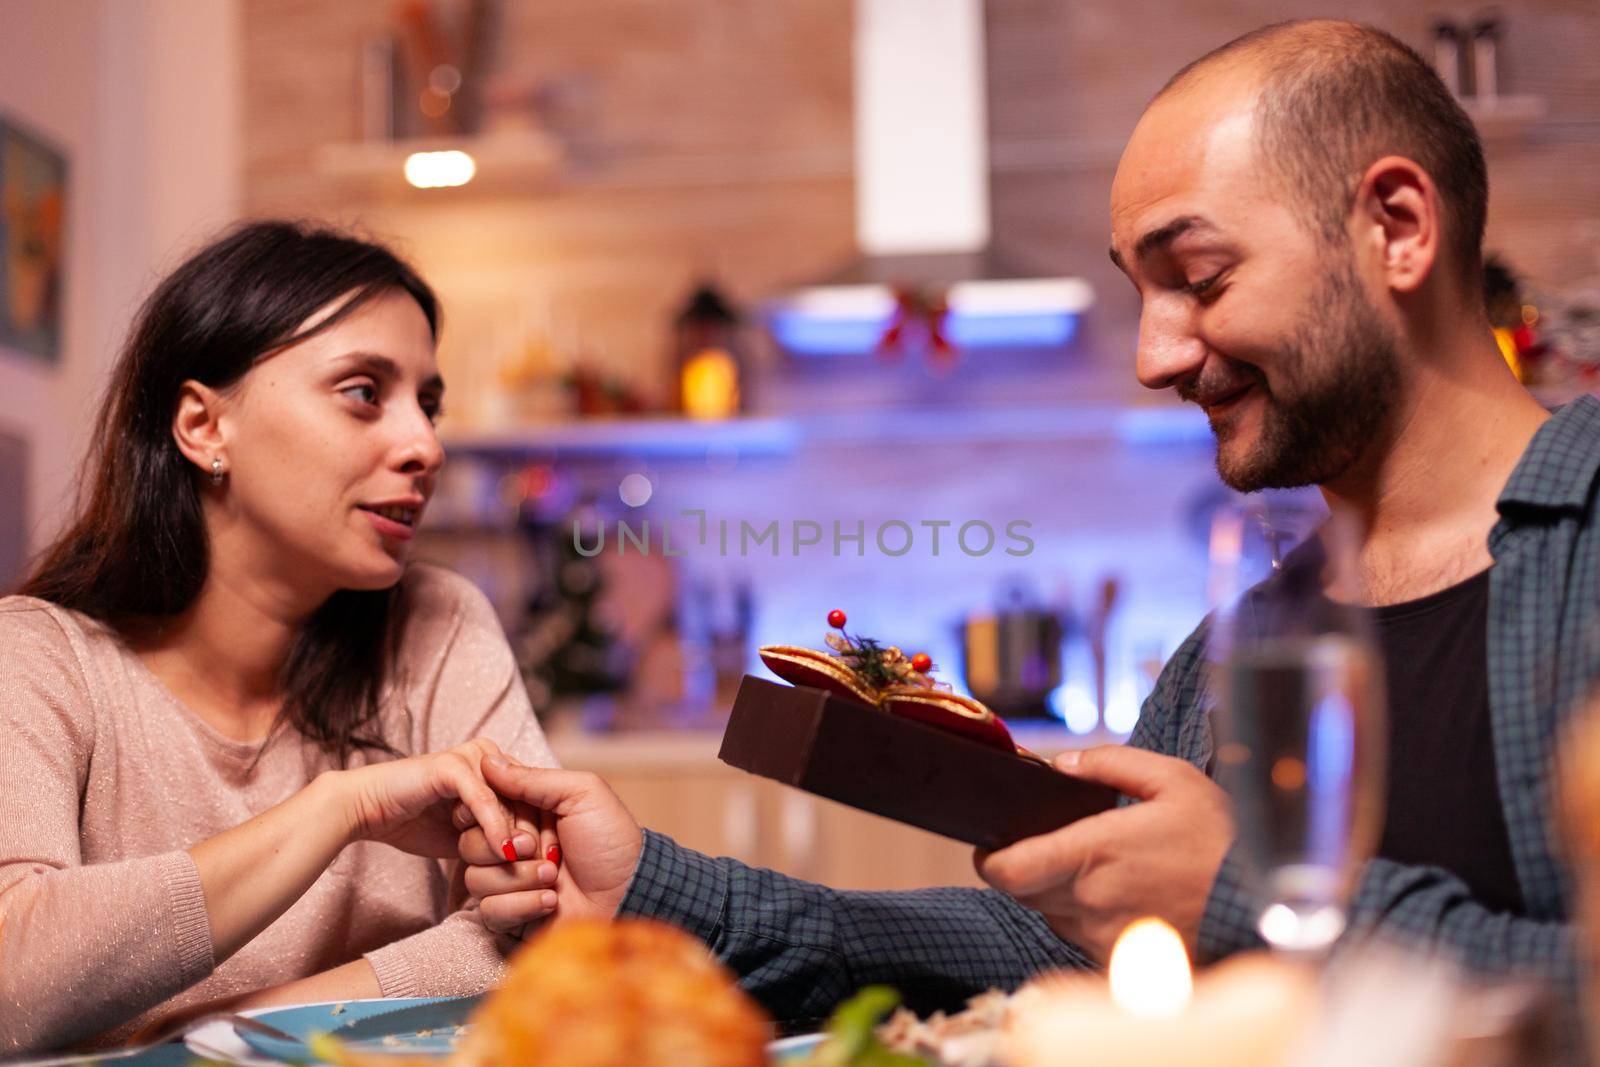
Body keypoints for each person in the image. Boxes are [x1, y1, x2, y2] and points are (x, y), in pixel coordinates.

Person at [458, 17, 1595, 1029]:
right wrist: (650, 894)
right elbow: (1054, 947)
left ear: (1396, 226)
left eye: (1198, 275)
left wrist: (1237, 894)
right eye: (1139, 293)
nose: (1154, 355)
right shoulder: (1246, 641)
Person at [0, 222, 560, 1053]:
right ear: (203, 427)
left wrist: (211, 1032)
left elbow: (543, 933)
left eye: (428, 403)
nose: (426, 446)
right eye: (364, 391)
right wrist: (342, 808)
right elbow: (14, 977)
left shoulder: (439, 624)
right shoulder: (39, 657)